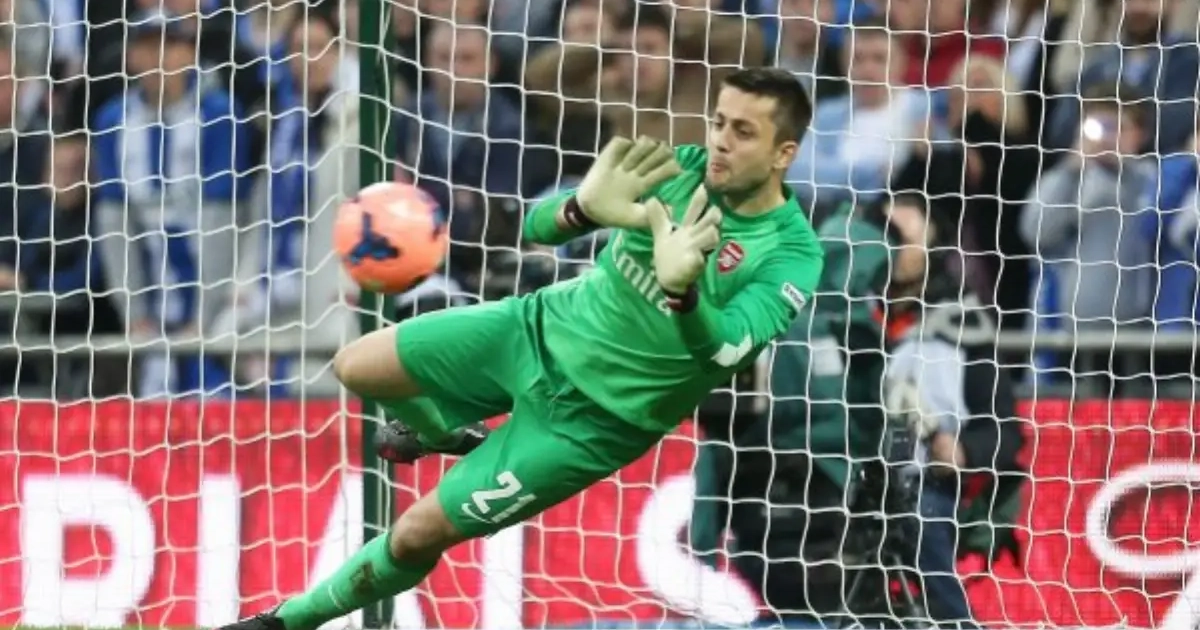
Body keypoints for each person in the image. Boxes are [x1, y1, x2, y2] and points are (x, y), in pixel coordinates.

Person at [217, 67, 822, 630]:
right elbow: (535, 227)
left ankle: (284, 621)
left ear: (783, 153)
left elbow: (725, 354)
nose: (719, 142)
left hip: (593, 423)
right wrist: (581, 209)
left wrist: (683, 295)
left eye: (743, 132)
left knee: (416, 533)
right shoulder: (679, 168)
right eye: (718, 122)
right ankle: (443, 433)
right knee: (358, 366)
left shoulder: (792, 254)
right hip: (534, 329)